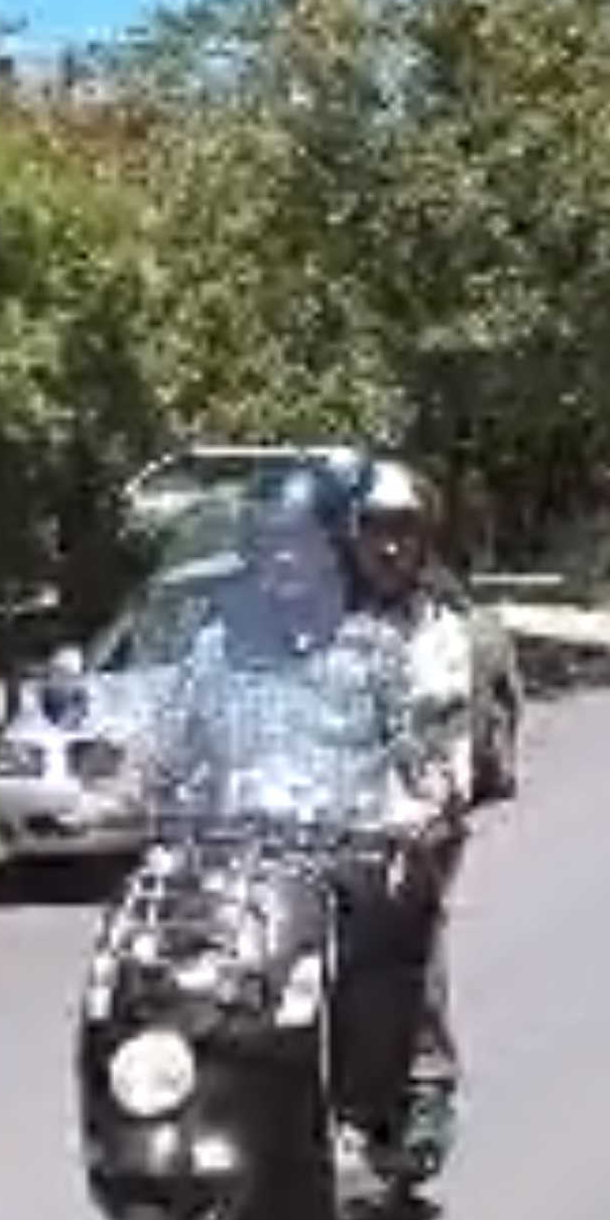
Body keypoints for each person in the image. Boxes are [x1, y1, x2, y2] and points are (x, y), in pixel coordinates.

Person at [141, 462, 465, 1176]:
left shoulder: (374, 647)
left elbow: (418, 751)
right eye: (269, 543)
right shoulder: (215, 648)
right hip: (227, 860)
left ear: (330, 550)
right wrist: (144, 783)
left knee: (390, 933)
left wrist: (424, 798)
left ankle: (365, 1113)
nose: (284, 557)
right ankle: (146, 1103)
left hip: (339, 860)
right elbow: (169, 745)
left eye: (301, 541)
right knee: (150, 956)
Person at [345, 458, 475, 1165]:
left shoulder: (441, 632)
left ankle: (426, 1079)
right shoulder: (324, 623)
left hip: (412, 817)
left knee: (406, 923)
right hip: (325, 819)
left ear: (423, 540)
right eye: (374, 530)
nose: (388, 546)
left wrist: (434, 802)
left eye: (402, 530)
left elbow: (445, 737)